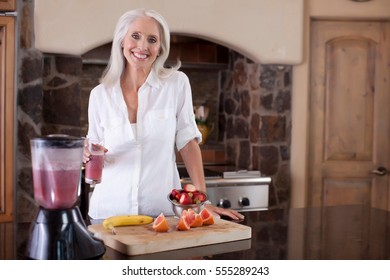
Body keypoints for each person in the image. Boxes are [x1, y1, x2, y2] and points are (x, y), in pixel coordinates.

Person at [84, 8, 244, 221]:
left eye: (152, 39)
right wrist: (87, 152)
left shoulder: (176, 84)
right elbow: (95, 151)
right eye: (135, 36)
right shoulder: (99, 95)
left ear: (160, 49)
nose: (142, 46)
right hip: (108, 213)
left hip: (162, 212)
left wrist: (202, 201)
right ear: (122, 40)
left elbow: (187, 142)